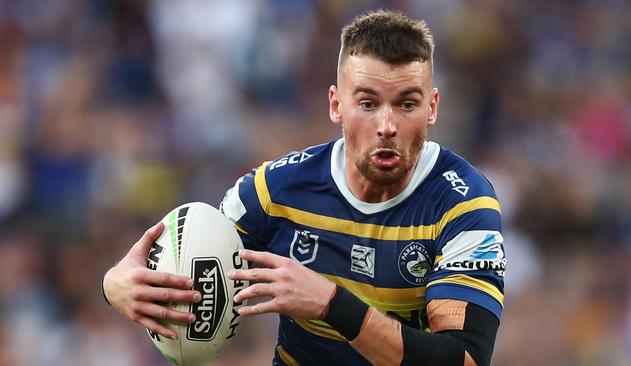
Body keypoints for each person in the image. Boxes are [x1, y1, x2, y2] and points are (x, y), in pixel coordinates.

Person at [103, 10, 506, 366]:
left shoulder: (464, 205)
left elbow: (465, 360)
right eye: (367, 103)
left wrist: (332, 304)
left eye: (406, 104)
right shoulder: (274, 191)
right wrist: (117, 284)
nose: (387, 125)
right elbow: (196, 260)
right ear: (336, 105)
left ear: (432, 107)